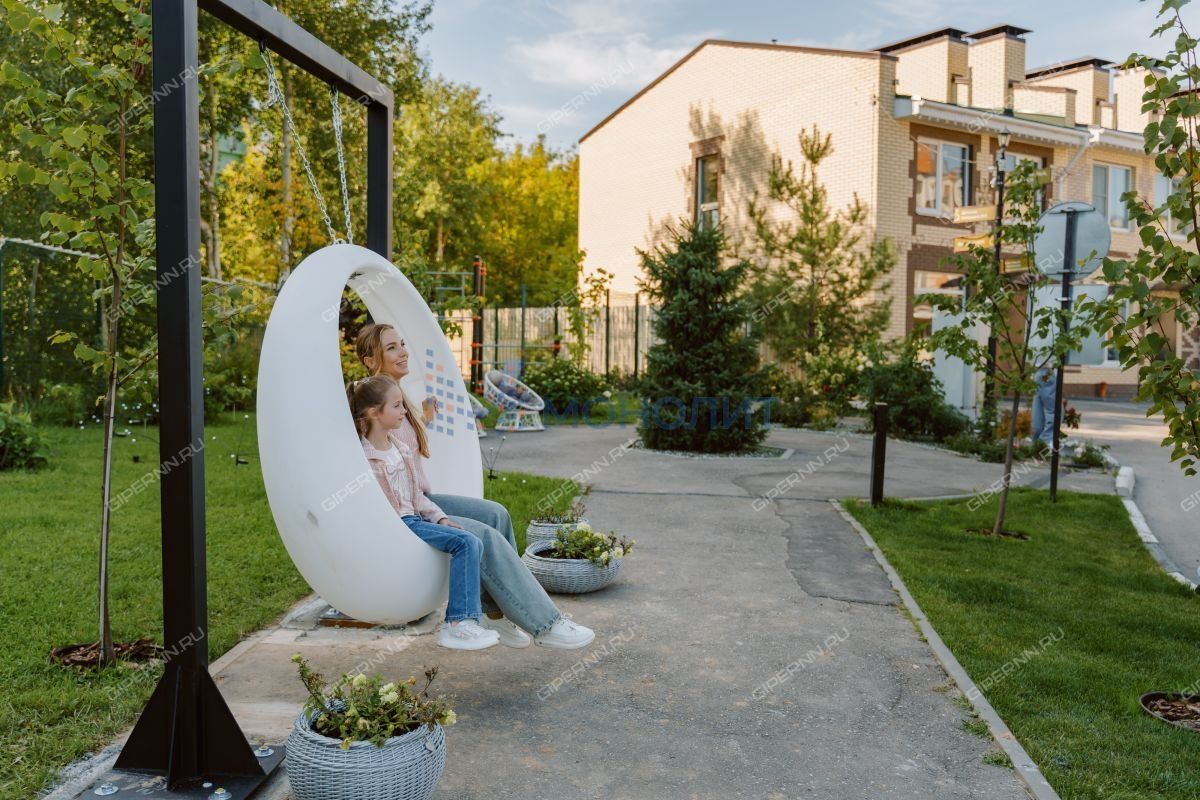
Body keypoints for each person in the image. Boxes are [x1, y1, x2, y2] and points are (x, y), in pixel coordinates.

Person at [355, 324, 594, 650]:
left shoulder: (399, 399)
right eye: (392, 347)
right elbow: (365, 440)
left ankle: (493, 613)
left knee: (496, 514)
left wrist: (424, 416)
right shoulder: (371, 401)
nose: (403, 352)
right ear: (370, 360)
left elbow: (406, 441)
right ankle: (545, 623)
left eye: (402, 344)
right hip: (404, 508)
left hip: (419, 497)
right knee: (483, 536)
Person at [348, 376, 498, 651]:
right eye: (396, 406)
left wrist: (440, 518)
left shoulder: (401, 449)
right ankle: (458, 624)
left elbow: (416, 495)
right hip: (398, 526)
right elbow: (370, 508)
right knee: (467, 542)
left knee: (467, 538)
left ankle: (469, 620)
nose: (404, 411)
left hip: (415, 519)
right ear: (374, 413)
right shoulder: (363, 459)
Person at [1030, 366, 1057, 447]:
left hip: (1040, 371)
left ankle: (1037, 445)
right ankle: (1045, 443)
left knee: (1038, 413)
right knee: (1054, 412)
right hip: (1047, 371)